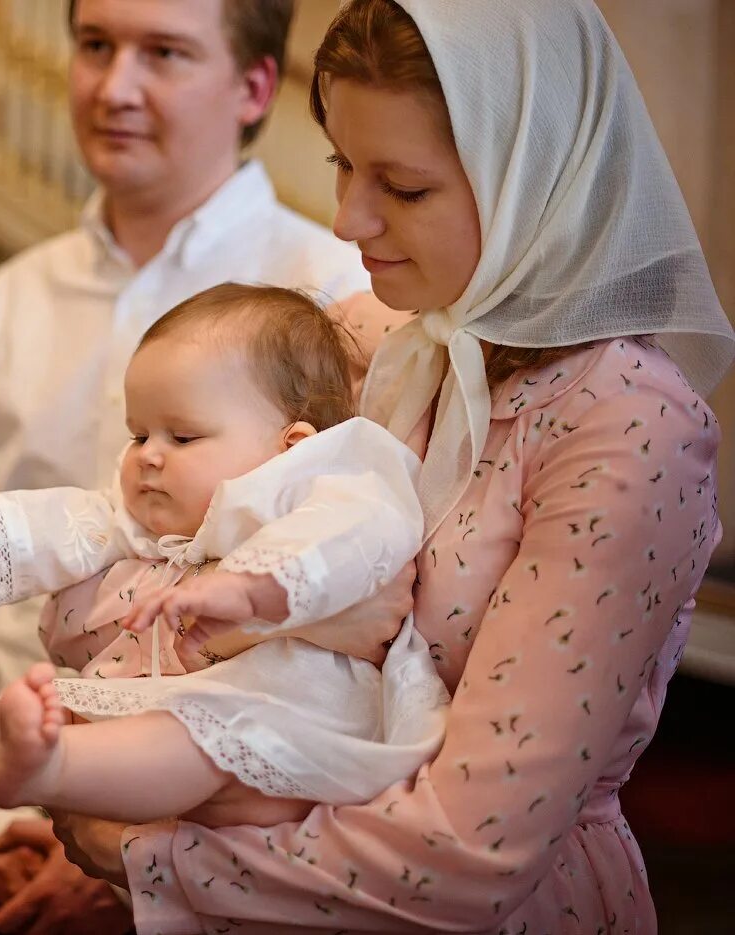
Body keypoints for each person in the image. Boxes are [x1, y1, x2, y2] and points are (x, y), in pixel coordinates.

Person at [48, 0, 735, 930]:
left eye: (404, 189)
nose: (347, 220)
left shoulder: (625, 422)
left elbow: (473, 848)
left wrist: (145, 850)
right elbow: (162, 550)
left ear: (535, 180)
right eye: (341, 163)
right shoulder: (386, 343)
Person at [0, 0, 398, 927]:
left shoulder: (337, 292)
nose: (113, 86)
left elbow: (364, 599)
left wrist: (124, 852)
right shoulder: (15, 295)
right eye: (95, 45)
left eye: (164, 52)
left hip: (227, 839)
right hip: (14, 803)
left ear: (253, 86)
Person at [0, 284, 447, 830]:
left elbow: (357, 538)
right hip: (177, 734)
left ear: (291, 445)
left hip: (295, 721)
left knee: (190, 736)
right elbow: (52, 524)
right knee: (81, 712)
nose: (149, 455)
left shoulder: (334, 479)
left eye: (182, 437)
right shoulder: (147, 516)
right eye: (138, 434)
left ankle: (17, 759)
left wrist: (246, 589)